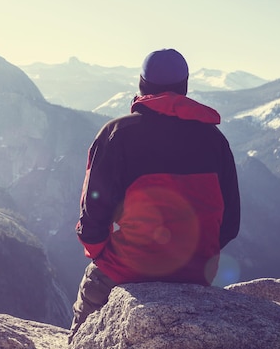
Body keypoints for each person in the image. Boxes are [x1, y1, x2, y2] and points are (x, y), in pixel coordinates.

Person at [69, 48, 241, 342]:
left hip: (125, 269)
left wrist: (104, 255)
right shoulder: (216, 142)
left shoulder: (117, 134)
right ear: (185, 87)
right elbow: (230, 223)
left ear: (142, 85)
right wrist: (194, 258)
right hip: (196, 273)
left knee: (86, 321)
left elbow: (92, 216)